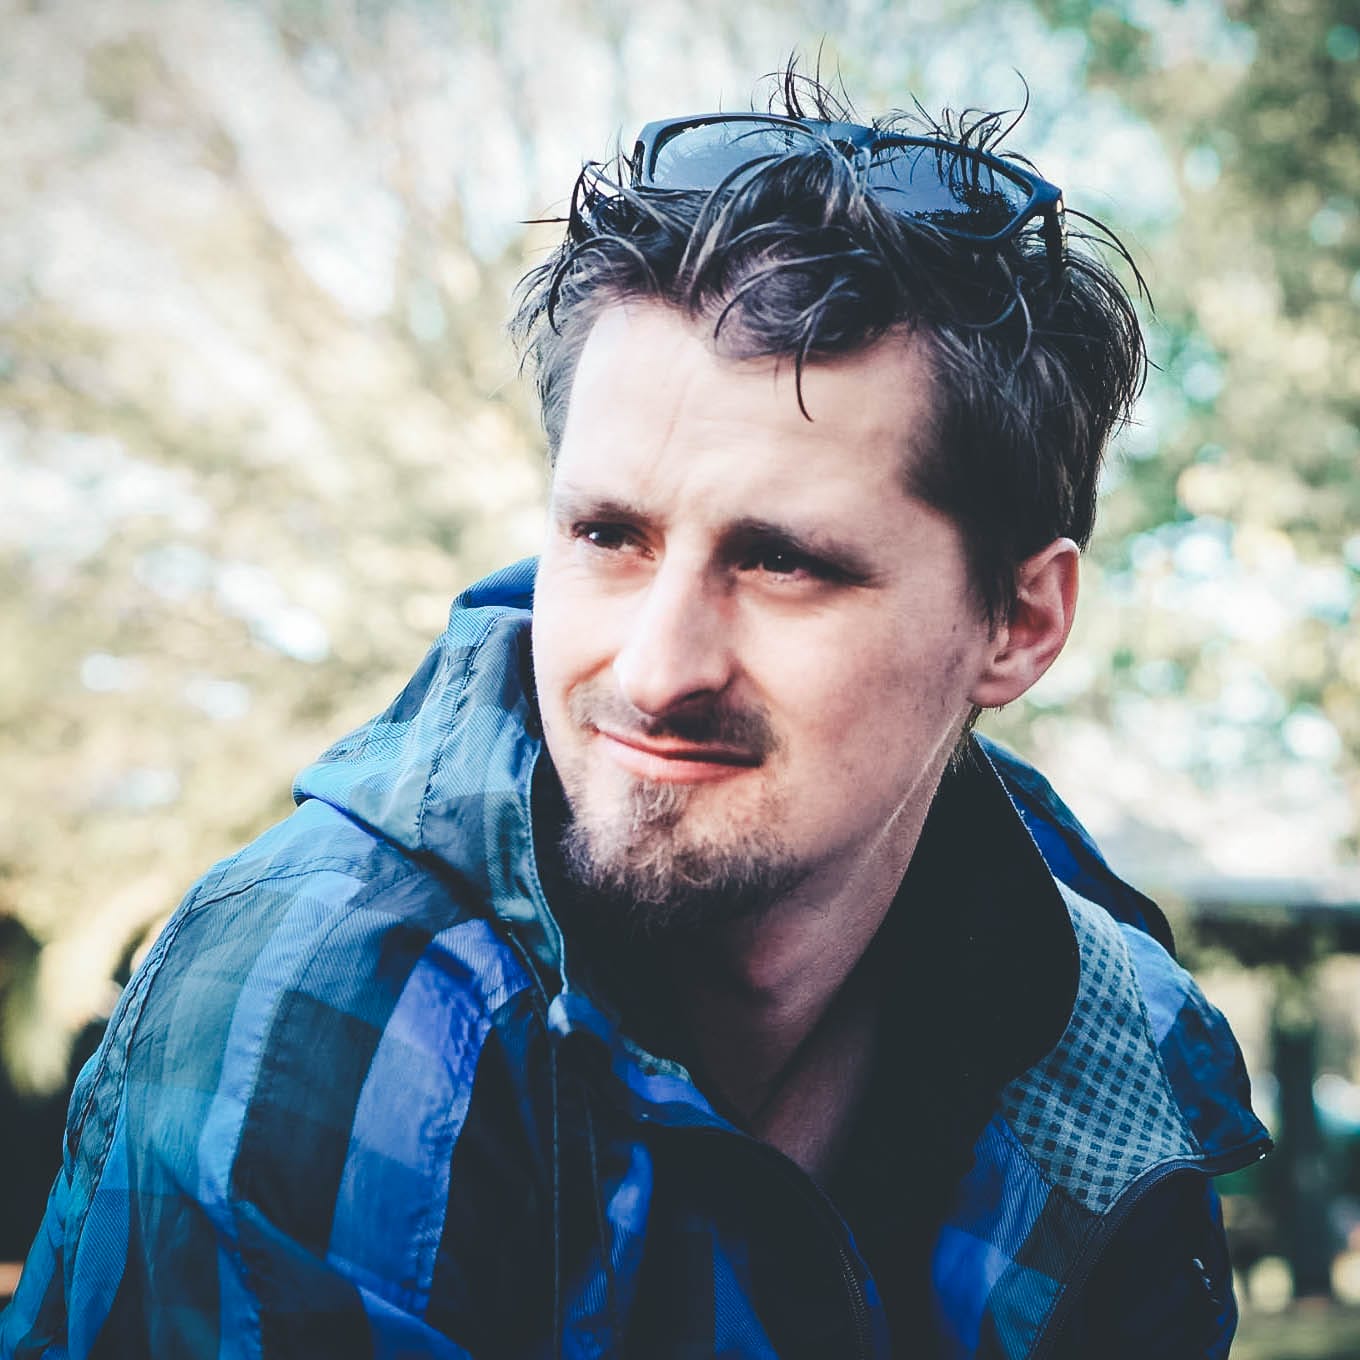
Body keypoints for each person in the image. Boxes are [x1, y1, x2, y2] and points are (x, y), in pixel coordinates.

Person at [1, 71, 1269, 1359]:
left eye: (783, 562)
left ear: (1021, 623)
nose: (658, 671)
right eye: (608, 535)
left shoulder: (1108, 1055)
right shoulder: (329, 1004)